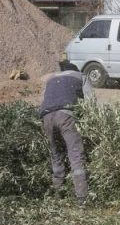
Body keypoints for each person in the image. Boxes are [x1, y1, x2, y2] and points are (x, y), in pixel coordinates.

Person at [39, 59, 96, 203]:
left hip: (46, 116)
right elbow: (91, 101)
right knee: (75, 154)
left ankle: (58, 192)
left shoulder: (51, 79)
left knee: (56, 153)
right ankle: (82, 197)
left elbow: (43, 101)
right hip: (66, 115)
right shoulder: (82, 76)